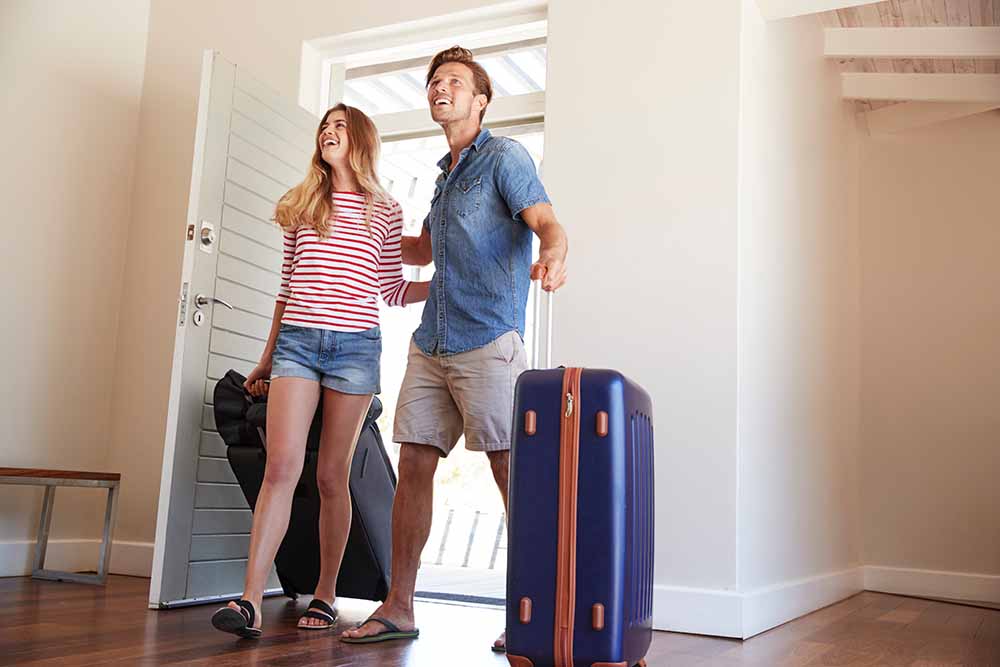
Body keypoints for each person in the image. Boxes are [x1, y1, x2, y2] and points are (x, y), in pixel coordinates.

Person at [340, 46, 568, 653]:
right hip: (430, 342)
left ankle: (531, 609)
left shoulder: (504, 158)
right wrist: (367, 216)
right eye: (435, 82)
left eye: (454, 82)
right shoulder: (443, 179)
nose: (441, 89)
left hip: (489, 339)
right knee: (414, 464)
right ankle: (399, 606)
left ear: (480, 99)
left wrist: (553, 252)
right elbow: (420, 251)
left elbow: (546, 220)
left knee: (509, 468)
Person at [211, 103, 430, 638]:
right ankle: (248, 602)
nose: (328, 133)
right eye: (324, 127)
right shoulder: (303, 204)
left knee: (332, 475)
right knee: (281, 468)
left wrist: (448, 285)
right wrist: (266, 360)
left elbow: (392, 289)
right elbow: (287, 289)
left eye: (339, 127)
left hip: (356, 349)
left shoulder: (384, 209)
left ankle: (326, 594)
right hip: (299, 346)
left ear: (359, 140)